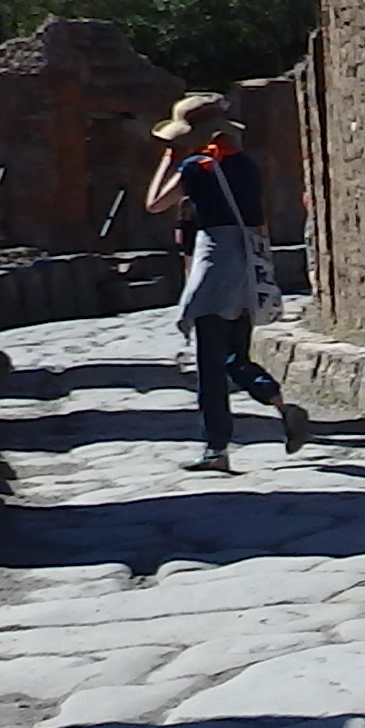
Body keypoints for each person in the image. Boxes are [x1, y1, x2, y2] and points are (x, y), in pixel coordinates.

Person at [146, 94, 305, 471]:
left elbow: (154, 203)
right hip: (246, 264)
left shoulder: (195, 167)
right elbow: (260, 221)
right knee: (235, 355)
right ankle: (280, 403)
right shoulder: (248, 166)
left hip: (215, 262)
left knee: (210, 364)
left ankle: (216, 448)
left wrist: (168, 162)